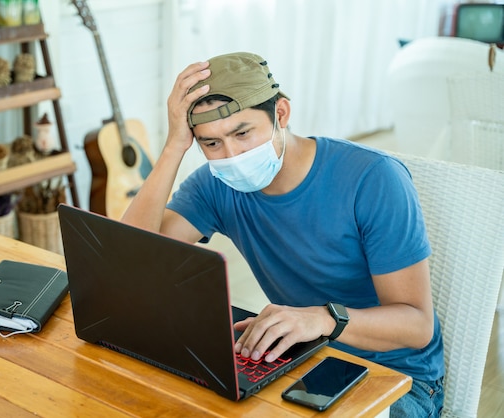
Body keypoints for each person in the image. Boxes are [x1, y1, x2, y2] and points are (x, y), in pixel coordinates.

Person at [121, 52, 445, 417]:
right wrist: (173, 147)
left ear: (282, 114)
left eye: (242, 133)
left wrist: (324, 318)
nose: (232, 154)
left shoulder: (374, 178)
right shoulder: (216, 185)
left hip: (396, 380)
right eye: (211, 143)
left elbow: (417, 326)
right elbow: (131, 261)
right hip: (303, 360)